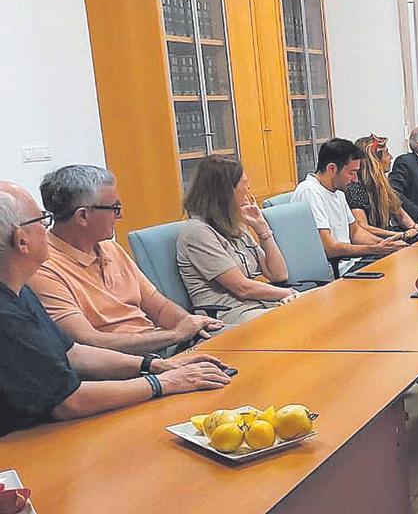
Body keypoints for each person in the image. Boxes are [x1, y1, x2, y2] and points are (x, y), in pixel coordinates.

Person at [0, 181, 230, 436]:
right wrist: (163, 382)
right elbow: (68, 401)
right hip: (29, 442)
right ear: (21, 241)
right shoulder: (7, 317)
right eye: (42, 221)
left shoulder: (19, 291)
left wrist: (154, 366)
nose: (47, 229)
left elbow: (74, 353)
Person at [29, 165, 223, 355]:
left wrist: (193, 326)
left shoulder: (110, 247)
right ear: (82, 216)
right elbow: (90, 342)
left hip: (157, 345)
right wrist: (175, 335)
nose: (120, 215)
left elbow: (160, 308)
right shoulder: (43, 266)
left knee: (235, 341)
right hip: (124, 364)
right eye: (115, 208)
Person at [177, 156, 296, 325]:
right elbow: (242, 288)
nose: (248, 188)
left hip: (258, 306)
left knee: (314, 304)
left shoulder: (233, 225)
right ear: (226, 192)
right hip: (230, 316)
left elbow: (278, 274)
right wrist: (287, 293)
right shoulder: (197, 232)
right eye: (244, 184)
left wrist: (263, 230)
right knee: (297, 320)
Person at [292, 138, 406, 275]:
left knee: (400, 261)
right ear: (332, 169)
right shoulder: (310, 192)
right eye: (352, 173)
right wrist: (375, 249)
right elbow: (330, 248)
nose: (355, 179)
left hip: (352, 262)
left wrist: (386, 244)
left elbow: (355, 232)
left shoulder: (338, 192)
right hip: (336, 269)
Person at [345, 135, 418, 239]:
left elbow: (400, 214)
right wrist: (400, 235)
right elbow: (362, 227)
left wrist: (414, 228)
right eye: (387, 153)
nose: (391, 157)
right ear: (376, 161)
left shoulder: (384, 186)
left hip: (391, 235)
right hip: (378, 240)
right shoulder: (355, 189)